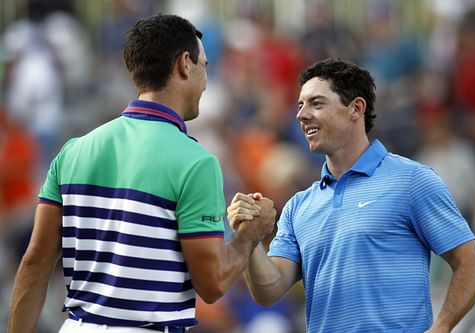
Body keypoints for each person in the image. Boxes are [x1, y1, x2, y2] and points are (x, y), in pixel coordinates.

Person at [8, 14, 276, 333]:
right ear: (184, 64)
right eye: (204, 65)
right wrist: (251, 233)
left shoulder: (73, 150)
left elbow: (35, 263)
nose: (206, 80)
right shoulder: (196, 162)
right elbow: (213, 283)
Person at [228, 58, 475, 333]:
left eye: (317, 103)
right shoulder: (298, 206)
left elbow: (473, 264)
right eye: (301, 105)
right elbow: (269, 290)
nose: (302, 115)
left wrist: (441, 327)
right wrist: (248, 238)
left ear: (356, 108)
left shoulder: (412, 180)